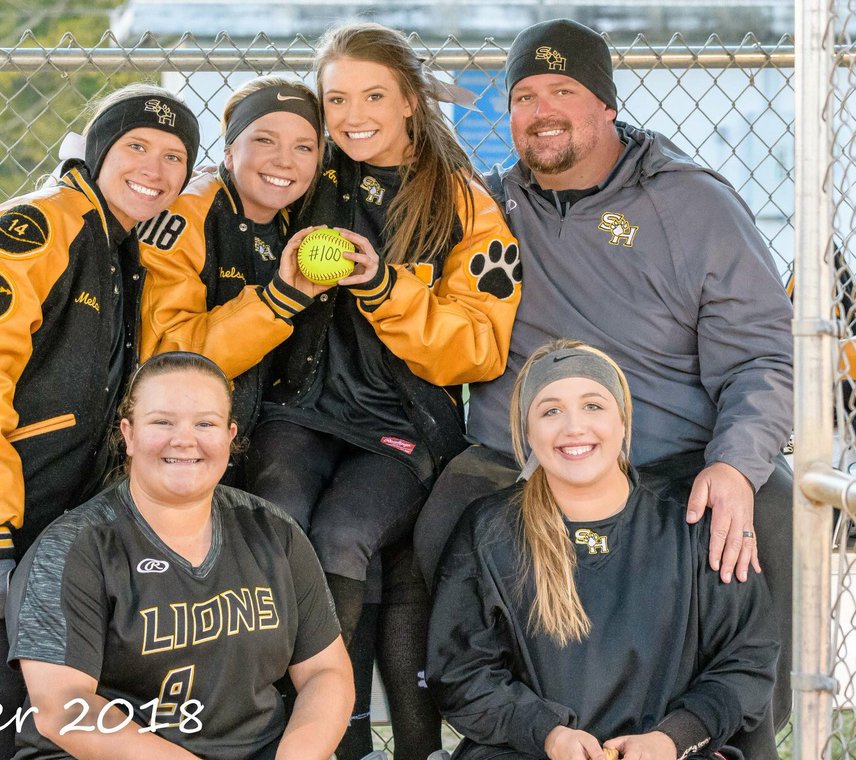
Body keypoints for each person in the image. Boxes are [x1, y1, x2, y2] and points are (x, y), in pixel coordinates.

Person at [412, 20, 794, 757]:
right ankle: (484, 730)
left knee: (763, 508)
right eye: (524, 94)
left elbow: (761, 357)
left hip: (669, 454)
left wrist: (735, 462)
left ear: (608, 107)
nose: (542, 109)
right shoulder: (488, 210)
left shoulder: (691, 206)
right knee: (441, 519)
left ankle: (727, 737)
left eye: (564, 89)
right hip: (522, 454)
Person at [0, 85, 200, 759]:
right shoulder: (37, 226)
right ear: (95, 153)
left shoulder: (120, 249)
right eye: (135, 147)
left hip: (42, 528)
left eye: (174, 156)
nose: (154, 168)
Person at [244, 22, 521, 760]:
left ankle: (335, 737)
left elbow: (478, 348)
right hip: (299, 407)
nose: (353, 114)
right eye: (336, 98)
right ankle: (294, 732)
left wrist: (382, 284)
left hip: (402, 421)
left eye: (374, 95)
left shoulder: (462, 203)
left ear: (409, 103)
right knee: (278, 517)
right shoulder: (307, 172)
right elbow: (243, 184)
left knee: (344, 534)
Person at [427, 340, 780, 760]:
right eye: (550, 410)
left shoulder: (690, 524)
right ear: (527, 431)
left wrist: (673, 739)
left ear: (624, 422)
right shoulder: (490, 531)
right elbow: (461, 674)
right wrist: (548, 734)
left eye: (593, 405)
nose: (574, 427)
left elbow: (747, 660)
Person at [6, 351, 353, 760]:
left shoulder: (272, 531)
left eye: (205, 423)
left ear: (230, 435)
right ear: (128, 435)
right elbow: (63, 708)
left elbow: (325, 673)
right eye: (162, 422)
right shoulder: (77, 547)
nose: (184, 439)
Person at [138, 76, 326, 484]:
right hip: (176, 446)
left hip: (261, 431)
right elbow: (165, 356)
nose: (284, 160)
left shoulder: (298, 219)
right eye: (264, 140)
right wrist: (276, 302)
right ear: (228, 150)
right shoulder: (187, 215)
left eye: (303, 147)